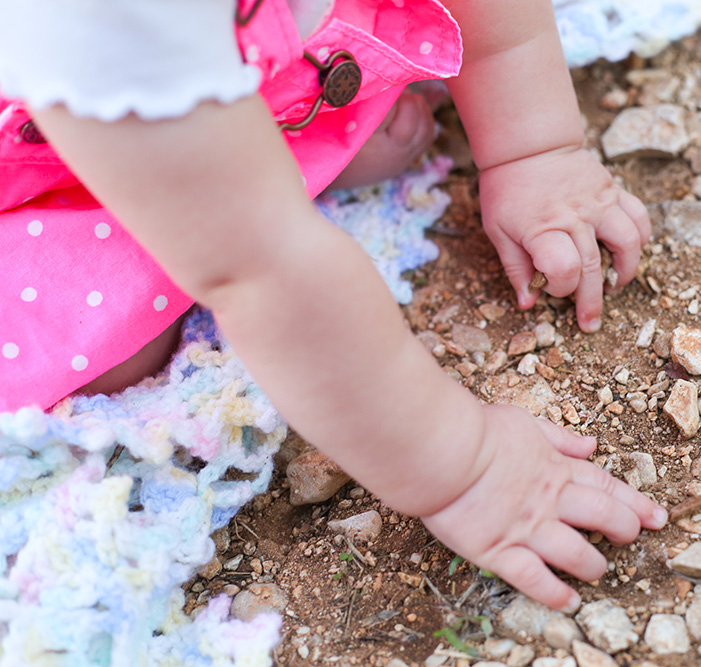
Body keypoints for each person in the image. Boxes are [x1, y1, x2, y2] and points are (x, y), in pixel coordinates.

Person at [0, 0, 663, 612]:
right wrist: (461, 466)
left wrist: (534, 149)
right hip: (68, 129)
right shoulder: (100, 22)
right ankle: (265, 132)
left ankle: (291, 105)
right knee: (111, 347)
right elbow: (262, 265)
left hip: (203, 55)